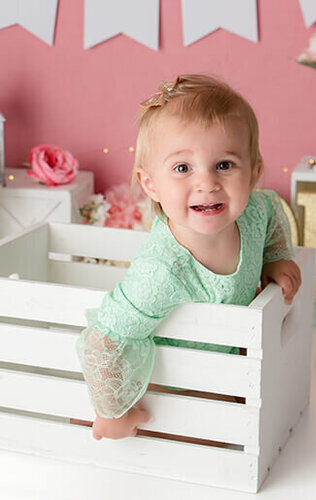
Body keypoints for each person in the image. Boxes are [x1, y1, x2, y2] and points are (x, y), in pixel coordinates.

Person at [76, 74, 301, 441]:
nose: (206, 183)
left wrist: (275, 256)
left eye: (225, 165)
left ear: (255, 172)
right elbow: (104, 339)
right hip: (168, 382)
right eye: (183, 168)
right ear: (150, 184)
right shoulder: (163, 270)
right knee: (203, 432)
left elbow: (273, 210)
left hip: (227, 359)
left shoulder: (255, 212)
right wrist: (111, 409)